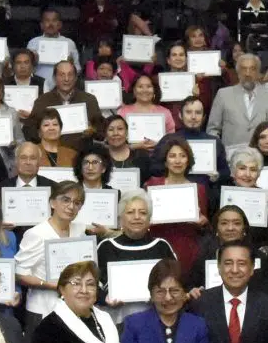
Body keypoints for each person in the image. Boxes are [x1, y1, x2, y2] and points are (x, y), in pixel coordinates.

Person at [95, 189, 177, 322]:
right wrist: (105, 298)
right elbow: (92, 285)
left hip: (158, 320)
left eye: (143, 213)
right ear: (121, 218)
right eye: (130, 212)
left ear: (149, 219)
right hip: (116, 320)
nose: (137, 217)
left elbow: (176, 283)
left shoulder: (161, 246)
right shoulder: (106, 247)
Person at [15, 181, 89, 326]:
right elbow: (19, 274)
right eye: (65, 200)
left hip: (73, 310)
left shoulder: (79, 231)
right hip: (42, 309)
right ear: (52, 203)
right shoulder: (36, 234)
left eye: (77, 202)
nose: (71, 206)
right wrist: (51, 285)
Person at [145, 138, 210, 274]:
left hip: (187, 248)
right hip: (158, 245)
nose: (178, 161)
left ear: (188, 161)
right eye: (172, 156)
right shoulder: (152, 185)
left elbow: (204, 224)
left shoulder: (199, 189)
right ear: (165, 161)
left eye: (182, 156)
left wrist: (203, 222)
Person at [207, 54, 268, 149]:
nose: (247, 73)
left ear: (258, 72)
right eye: (243, 69)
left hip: (265, 157)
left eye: (252, 69)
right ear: (237, 72)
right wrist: (220, 151)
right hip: (231, 157)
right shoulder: (223, 95)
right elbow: (212, 130)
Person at [24, 61, 102, 150]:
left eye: (70, 74)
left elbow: (101, 131)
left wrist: (93, 130)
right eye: (61, 75)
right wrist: (43, 134)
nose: (66, 79)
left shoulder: (89, 100)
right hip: (50, 152)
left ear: (76, 78)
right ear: (54, 78)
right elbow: (29, 131)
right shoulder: (42, 101)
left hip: (81, 153)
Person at [150, 97, 229, 183]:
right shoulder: (168, 140)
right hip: (174, 189)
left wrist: (217, 175)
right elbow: (154, 168)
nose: (193, 117)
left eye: (198, 113)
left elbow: (225, 172)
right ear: (180, 115)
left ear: (203, 117)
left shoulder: (215, 142)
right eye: (188, 112)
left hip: (206, 192)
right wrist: (171, 168)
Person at [225, 147, 268, 247]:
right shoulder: (222, 196)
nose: (247, 174)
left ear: (259, 174)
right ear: (233, 171)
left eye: (253, 170)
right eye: (242, 168)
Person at [28, 9, 81, 91]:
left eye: (54, 20)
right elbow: (25, 69)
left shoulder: (69, 43)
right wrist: (33, 62)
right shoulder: (33, 43)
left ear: (60, 24)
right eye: (47, 21)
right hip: (39, 86)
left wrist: (71, 65)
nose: (51, 24)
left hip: (64, 87)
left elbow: (78, 68)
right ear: (41, 25)